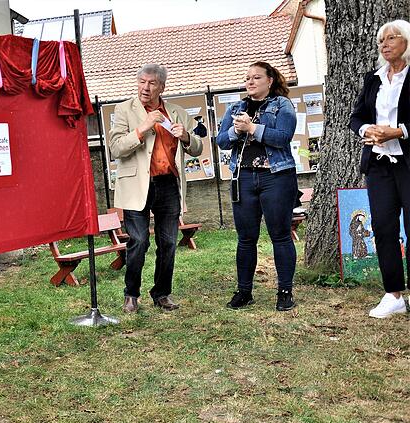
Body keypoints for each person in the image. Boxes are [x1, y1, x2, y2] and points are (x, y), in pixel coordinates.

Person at [109, 63, 203, 313]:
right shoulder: (124, 110)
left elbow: (197, 148)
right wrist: (143, 127)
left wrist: (186, 137)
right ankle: (131, 294)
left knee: (169, 242)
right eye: (141, 81)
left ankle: (161, 293)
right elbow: (115, 148)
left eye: (151, 83)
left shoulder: (176, 112)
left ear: (162, 86)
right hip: (136, 184)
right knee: (139, 241)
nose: (145, 88)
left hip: (167, 183)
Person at [216, 61, 298, 311]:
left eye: (256, 78)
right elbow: (221, 141)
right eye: (248, 78)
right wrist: (236, 131)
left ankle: (285, 291)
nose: (250, 82)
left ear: (270, 80)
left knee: (280, 235)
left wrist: (252, 128)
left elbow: (284, 137)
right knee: (246, 238)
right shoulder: (235, 107)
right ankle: (244, 291)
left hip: (276, 177)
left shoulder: (282, 104)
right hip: (243, 178)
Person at [349, 19, 410, 318]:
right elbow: (356, 117)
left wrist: (398, 132)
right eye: (380, 41)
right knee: (384, 229)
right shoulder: (374, 79)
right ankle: (393, 294)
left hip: (408, 162)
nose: (384, 44)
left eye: (391, 38)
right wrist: (367, 131)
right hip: (379, 165)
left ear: (407, 41)